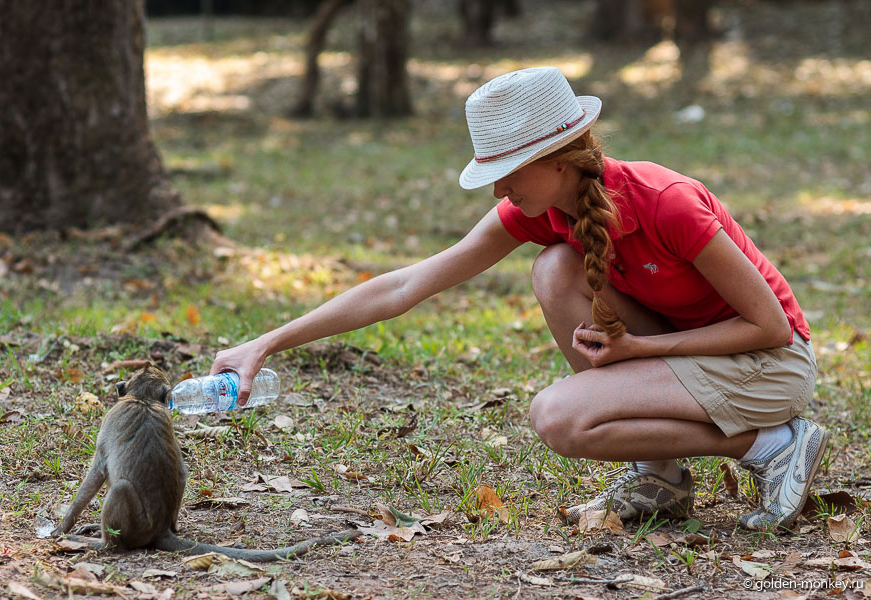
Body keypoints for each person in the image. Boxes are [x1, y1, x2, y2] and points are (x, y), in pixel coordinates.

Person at [211, 66, 828, 532]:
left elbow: (772, 329)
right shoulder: (543, 211)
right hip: (690, 353)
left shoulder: (666, 201)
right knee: (555, 269)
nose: (500, 186)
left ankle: (773, 444)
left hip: (770, 365)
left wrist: (643, 346)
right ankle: (659, 479)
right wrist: (265, 343)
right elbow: (406, 285)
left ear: (558, 161)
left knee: (559, 417)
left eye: (508, 168)